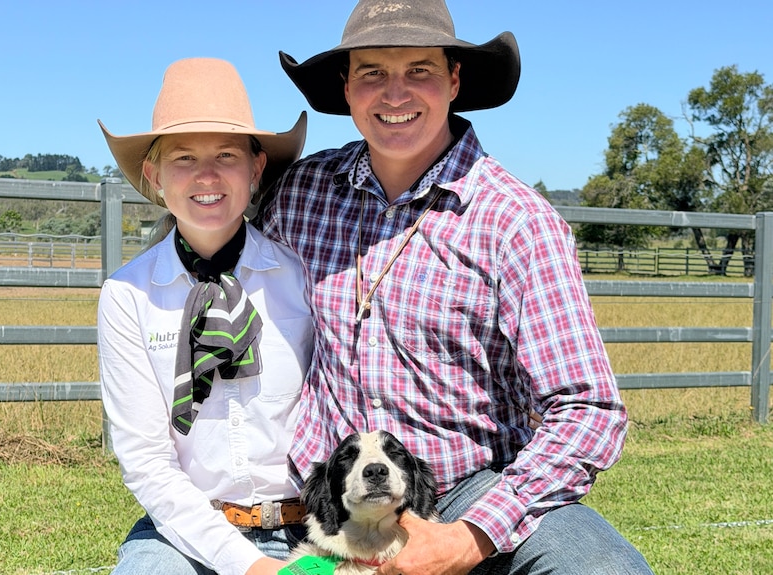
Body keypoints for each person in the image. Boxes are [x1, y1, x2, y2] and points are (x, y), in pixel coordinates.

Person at [260, 2, 654, 574]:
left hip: (467, 489)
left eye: (419, 69)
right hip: (333, 492)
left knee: (603, 569)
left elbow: (588, 408)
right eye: (371, 72)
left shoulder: (515, 221)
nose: (395, 94)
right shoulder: (301, 193)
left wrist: (471, 534)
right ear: (346, 88)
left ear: (454, 80)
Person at [96, 58, 312, 575]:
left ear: (257, 168)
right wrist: (252, 567)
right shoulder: (128, 295)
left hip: (310, 523)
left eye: (227, 154)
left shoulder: (302, 276)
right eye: (184, 157)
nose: (207, 175)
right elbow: (148, 462)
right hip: (184, 529)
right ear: (155, 175)